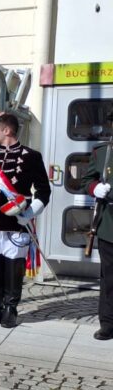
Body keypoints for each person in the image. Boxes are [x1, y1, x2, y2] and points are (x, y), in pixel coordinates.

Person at [0, 111, 51, 328]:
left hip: (17, 222)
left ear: (6, 130)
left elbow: (44, 192)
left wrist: (30, 213)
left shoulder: (31, 156)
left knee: (14, 267)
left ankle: (10, 309)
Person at [83, 137, 113, 340]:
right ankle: (108, 323)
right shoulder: (102, 151)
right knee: (109, 278)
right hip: (109, 225)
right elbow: (86, 181)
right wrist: (95, 188)